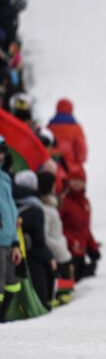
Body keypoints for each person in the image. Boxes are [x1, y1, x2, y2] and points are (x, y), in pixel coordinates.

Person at [13, 169, 56, 310]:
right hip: (31, 261)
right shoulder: (35, 209)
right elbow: (38, 242)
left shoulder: (10, 203)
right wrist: (50, 258)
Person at [38, 171, 74, 306]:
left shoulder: (51, 205)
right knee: (60, 291)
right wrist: (59, 248)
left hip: (59, 251)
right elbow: (45, 236)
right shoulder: (45, 209)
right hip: (57, 253)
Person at [59, 167, 100, 282]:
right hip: (68, 253)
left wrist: (93, 248)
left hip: (81, 253)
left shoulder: (85, 202)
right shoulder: (64, 202)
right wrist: (71, 242)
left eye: (80, 180)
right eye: (74, 180)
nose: (77, 183)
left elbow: (85, 228)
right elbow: (58, 228)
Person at [0, 135, 22, 322]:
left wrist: (15, 242)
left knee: (12, 285)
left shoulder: (5, 177)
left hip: (8, 239)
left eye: (2, 151)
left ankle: (3, 318)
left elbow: (11, 211)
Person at [47, 98, 87, 173]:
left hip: (53, 167)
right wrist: (79, 162)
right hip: (72, 169)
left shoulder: (49, 127)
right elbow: (82, 151)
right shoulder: (76, 128)